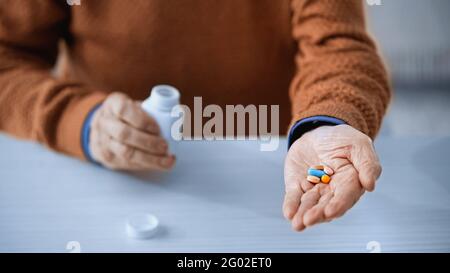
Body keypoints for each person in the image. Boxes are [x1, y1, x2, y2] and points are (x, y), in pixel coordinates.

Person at [0, 0, 391, 231]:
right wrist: (76, 119)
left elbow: (338, 45)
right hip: (108, 178)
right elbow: (7, 60)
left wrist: (323, 122)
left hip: (275, 173)